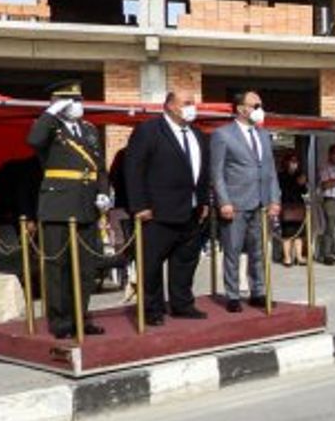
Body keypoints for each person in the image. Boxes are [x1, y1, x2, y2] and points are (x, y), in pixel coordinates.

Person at [26, 81, 111, 339]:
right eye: (71, 100)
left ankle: (80, 318)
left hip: (87, 206)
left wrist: (103, 192)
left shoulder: (89, 129)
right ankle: (61, 322)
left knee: (85, 268)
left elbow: (99, 166)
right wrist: (51, 112)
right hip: (58, 206)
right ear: (59, 102)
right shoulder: (49, 127)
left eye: (79, 100)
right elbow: (33, 140)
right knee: (58, 267)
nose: (78, 105)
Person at [124, 92, 211, 325]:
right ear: (171, 106)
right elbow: (134, 169)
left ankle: (182, 304)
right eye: (187, 103)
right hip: (157, 212)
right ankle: (152, 310)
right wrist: (139, 205)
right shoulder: (149, 130)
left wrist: (203, 201)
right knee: (151, 264)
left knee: (185, 261)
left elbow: (203, 172)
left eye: (193, 103)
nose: (192, 108)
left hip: (191, 211)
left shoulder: (197, 134)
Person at [210, 90, 281, 313]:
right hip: (235, 203)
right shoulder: (223, 135)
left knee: (258, 251)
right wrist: (224, 201)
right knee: (232, 250)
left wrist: (274, 199)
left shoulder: (263, 135)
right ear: (241, 109)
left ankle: (258, 291)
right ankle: (232, 294)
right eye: (255, 105)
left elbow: (270, 170)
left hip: (260, 202)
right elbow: (217, 172)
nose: (260, 110)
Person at [277, 152, 308, 267]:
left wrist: (303, 183)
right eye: (292, 161)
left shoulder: (299, 174)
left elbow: (304, 191)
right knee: (287, 233)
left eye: (296, 162)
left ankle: (299, 257)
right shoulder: (281, 175)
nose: (294, 164)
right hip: (286, 205)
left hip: (298, 204)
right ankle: (287, 257)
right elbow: (284, 189)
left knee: (299, 232)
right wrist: (296, 182)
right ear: (286, 162)